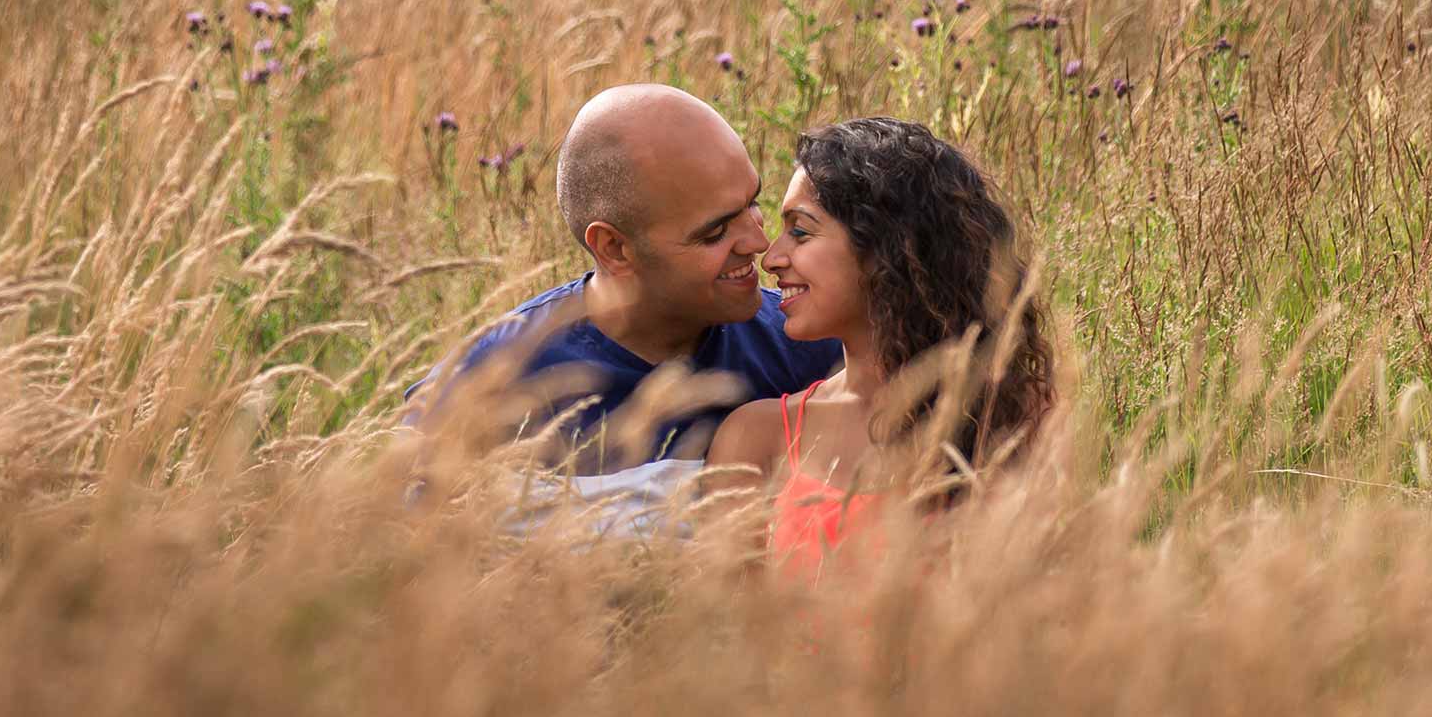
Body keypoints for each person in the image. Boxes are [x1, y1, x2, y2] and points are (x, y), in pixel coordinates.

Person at [409, 85, 842, 491]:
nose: (759, 243)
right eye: (714, 233)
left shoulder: (814, 349)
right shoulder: (482, 391)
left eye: (752, 203)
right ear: (614, 248)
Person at [705, 116, 1059, 569]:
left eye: (801, 231)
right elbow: (725, 610)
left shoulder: (1017, 415)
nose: (771, 258)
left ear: (886, 248)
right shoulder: (756, 438)